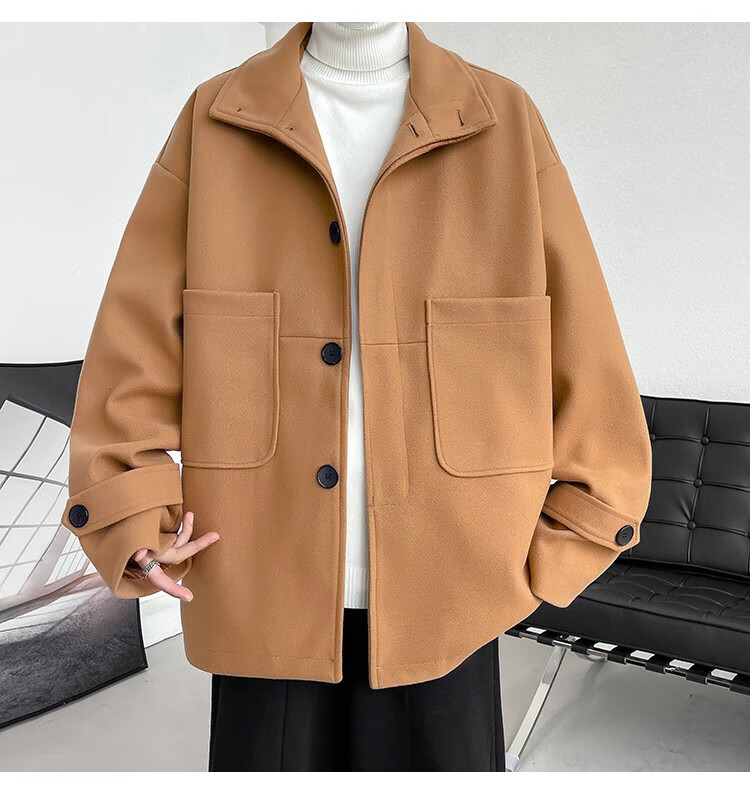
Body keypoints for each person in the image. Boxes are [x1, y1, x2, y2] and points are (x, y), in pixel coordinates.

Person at [61, 21, 652, 771]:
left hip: (455, 584)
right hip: (256, 572)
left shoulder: (500, 119)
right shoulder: (218, 118)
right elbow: (134, 342)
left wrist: (570, 536)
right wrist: (129, 509)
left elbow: (584, 344)